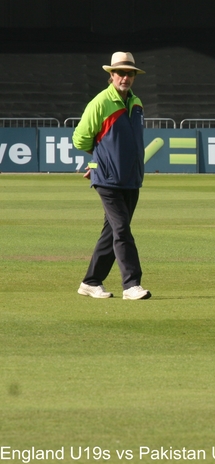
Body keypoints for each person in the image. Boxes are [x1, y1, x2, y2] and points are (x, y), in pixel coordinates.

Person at [73, 52, 151, 300]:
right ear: (111, 75)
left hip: (131, 177)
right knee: (122, 230)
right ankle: (131, 284)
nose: (125, 78)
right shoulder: (100, 102)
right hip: (107, 178)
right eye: (120, 73)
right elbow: (80, 139)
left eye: (130, 73)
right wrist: (98, 160)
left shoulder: (136, 103)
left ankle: (91, 281)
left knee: (113, 232)